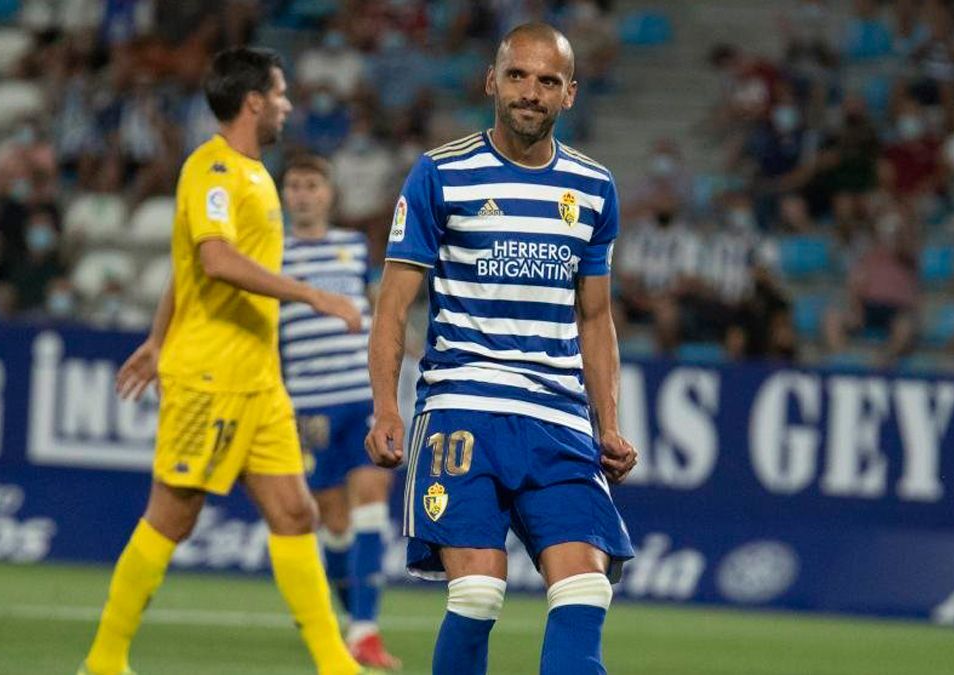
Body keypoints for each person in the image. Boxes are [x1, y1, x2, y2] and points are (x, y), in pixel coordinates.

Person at [78, 47, 365, 675]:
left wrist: (157, 338)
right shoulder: (211, 170)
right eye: (282, 92)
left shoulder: (254, 173)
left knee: (296, 513)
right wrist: (314, 294)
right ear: (255, 100)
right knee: (173, 518)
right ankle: (103, 661)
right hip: (211, 376)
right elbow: (213, 260)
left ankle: (335, 664)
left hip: (258, 379)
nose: (289, 103)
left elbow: (184, 270)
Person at [365, 23, 637, 675]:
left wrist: (610, 423)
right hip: (463, 410)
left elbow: (595, 317)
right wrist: (386, 407)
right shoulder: (440, 173)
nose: (530, 91)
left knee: (584, 587)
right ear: (492, 80)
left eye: (548, 81)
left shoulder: (593, 187)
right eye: (518, 75)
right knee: (480, 591)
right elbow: (394, 303)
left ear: (569, 94)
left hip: (559, 420)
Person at [279, 154, 400, 669]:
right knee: (333, 523)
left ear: (329, 194)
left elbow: (377, 306)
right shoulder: (271, 256)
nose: (304, 194)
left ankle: (366, 631)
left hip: (361, 397)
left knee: (372, 502)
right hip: (310, 406)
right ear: (285, 195)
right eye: (295, 186)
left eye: (312, 185)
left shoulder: (353, 246)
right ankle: (351, 622)